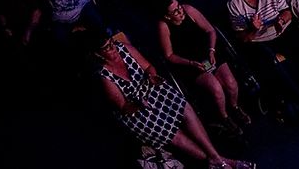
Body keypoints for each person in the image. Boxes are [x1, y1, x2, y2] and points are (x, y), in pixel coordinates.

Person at [91, 31, 249, 169]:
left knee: (184, 108)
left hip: (150, 89)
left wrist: (152, 76)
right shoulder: (104, 76)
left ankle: (216, 158)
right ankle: (221, 161)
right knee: (169, 130)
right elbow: (123, 107)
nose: (113, 48)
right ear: (98, 54)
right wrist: (139, 104)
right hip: (136, 110)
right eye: (107, 47)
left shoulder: (123, 48)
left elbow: (148, 67)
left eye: (111, 43)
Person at [156, 0, 250, 136]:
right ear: (168, 16)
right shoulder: (164, 26)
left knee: (231, 83)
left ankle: (234, 106)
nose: (180, 11)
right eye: (175, 11)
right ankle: (224, 117)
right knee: (216, 89)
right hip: (190, 63)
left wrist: (211, 50)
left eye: (179, 7)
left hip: (208, 53)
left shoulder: (189, 10)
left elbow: (210, 30)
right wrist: (191, 63)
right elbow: (169, 55)